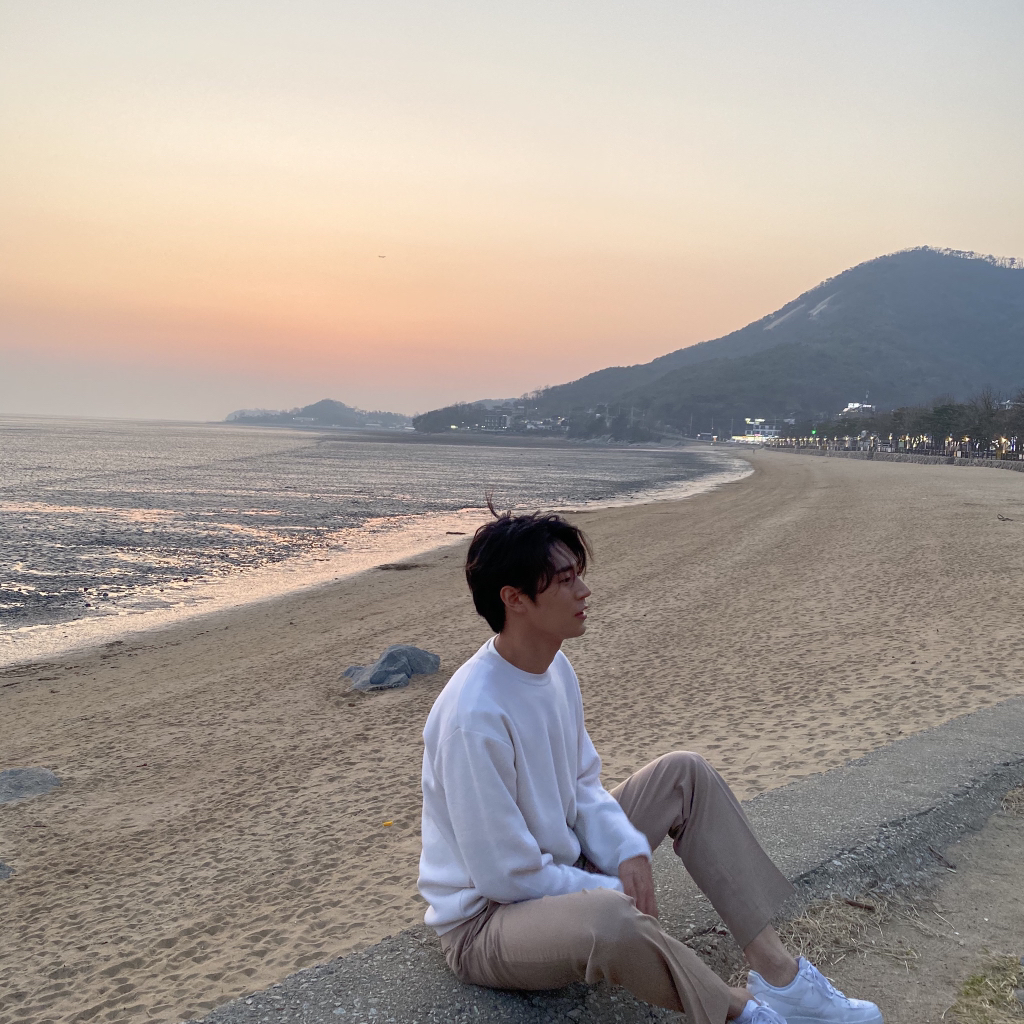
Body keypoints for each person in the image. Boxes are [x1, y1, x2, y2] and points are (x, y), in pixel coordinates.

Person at [418, 508, 883, 1024]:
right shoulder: (474, 716)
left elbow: (583, 786)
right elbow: (505, 876)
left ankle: (780, 975)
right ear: (515, 599)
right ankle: (737, 1008)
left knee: (686, 773)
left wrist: (628, 850)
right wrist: (609, 889)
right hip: (489, 923)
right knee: (610, 918)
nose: (585, 591)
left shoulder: (554, 669)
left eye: (579, 574)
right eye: (566, 580)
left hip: (557, 867)